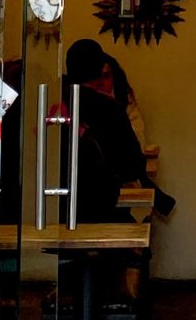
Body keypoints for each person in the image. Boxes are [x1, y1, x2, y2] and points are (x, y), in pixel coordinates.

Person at [62, 39, 160, 223]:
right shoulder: (108, 110)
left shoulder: (53, 100)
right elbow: (132, 165)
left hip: (55, 205)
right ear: (99, 70)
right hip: (98, 206)